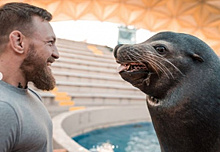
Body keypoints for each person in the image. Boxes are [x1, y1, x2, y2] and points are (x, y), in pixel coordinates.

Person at [0, 2, 59, 152]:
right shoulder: (4, 109)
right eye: (50, 43)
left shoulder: (32, 95)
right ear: (18, 42)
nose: (56, 54)